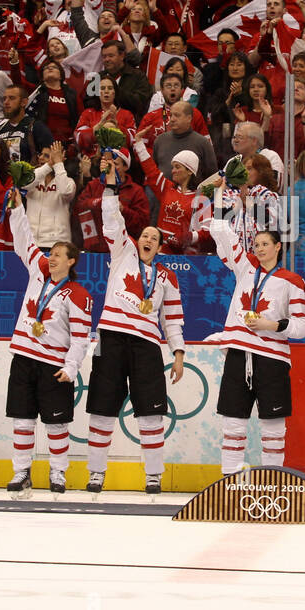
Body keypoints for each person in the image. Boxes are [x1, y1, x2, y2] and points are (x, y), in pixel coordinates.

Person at [84, 153, 186, 495]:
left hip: (145, 346)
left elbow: (172, 319)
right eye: (144, 235)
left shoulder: (167, 276)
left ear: (159, 247)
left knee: (150, 414)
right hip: (112, 338)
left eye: (154, 239)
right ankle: (96, 473)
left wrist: (179, 353)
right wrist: (111, 185)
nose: (147, 240)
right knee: (101, 409)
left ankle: (153, 475)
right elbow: (111, 220)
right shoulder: (122, 253)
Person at [4, 187, 93, 496]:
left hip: (54, 366)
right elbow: (24, 241)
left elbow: (81, 339)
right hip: (24, 358)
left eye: (57, 255)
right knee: (22, 420)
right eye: (50, 254)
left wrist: (71, 368)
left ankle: (58, 473)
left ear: (71, 262)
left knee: (56, 425)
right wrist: (17, 208)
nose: (50, 258)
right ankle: (21, 472)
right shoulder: (38, 271)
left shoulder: (79, 295)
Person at [208, 216, 305, 476]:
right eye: (256, 244)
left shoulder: (294, 281)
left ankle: (272, 480)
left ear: (278, 247)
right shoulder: (245, 268)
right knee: (233, 423)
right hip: (239, 352)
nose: (259, 248)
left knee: (273, 426)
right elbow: (222, 234)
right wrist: (221, 197)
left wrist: (273, 325)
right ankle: (229, 479)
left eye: (265, 243)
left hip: (273, 358)